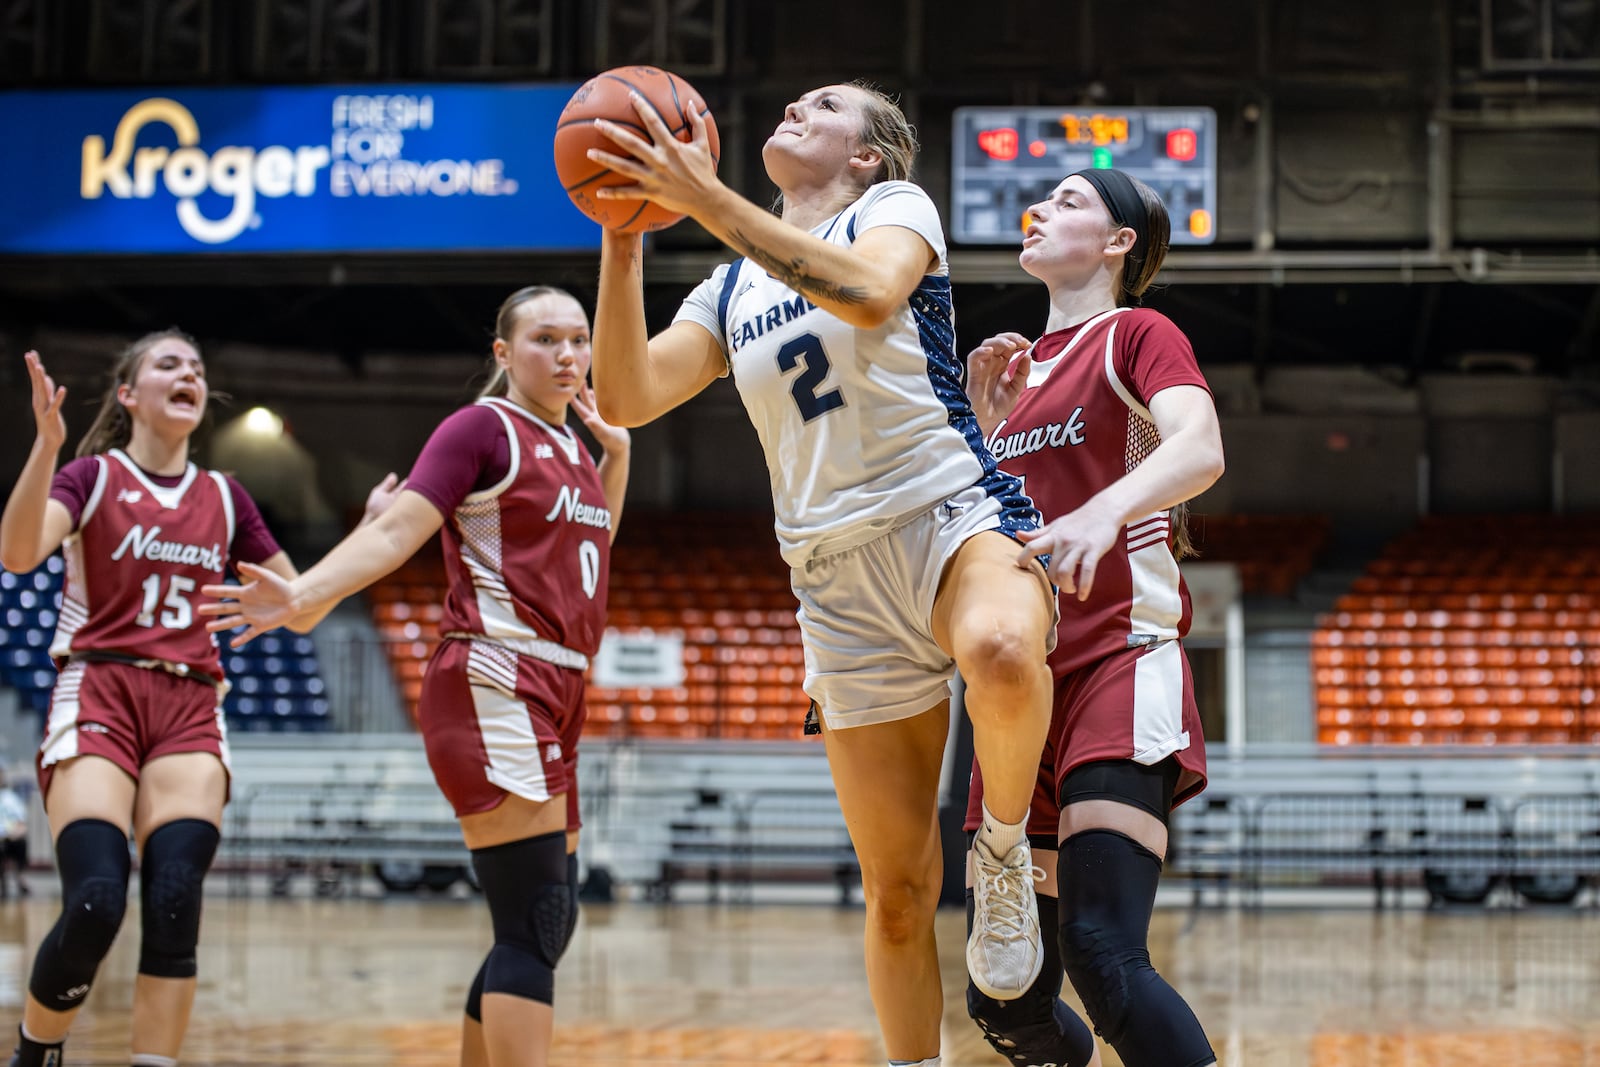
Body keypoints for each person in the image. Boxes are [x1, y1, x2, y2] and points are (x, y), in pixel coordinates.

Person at [585, 81, 1055, 1065]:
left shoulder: (893, 210)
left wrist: (704, 196)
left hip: (947, 513)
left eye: (826, 104)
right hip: (833, 578)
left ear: (867, 154)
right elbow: (624, 395)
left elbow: (869, 291)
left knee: (1003, 648)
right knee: (894, 896)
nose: (796, 104)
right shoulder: (726, 290)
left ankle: (1004, 849)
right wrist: (623, 230)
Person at [200, 286, 629, 1067]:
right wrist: (302, 593)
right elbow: (401, 526)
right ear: (503, 354)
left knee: (546, 918)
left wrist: (618, 460)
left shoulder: (574, 447)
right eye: (544, 339)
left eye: (578, 339)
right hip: (496, 673)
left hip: (561, 682)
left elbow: (588, 550)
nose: (567, 354)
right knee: (535, 918)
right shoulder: (481, 428)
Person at [0, 334, 387, 1067]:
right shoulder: (90, 476)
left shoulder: (225, 496)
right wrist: (45, 447)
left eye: (198, 369)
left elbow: (298, 606)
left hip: (189, 705)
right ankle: (33, 1052)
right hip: (101, 691)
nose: (190, 375)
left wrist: (366, 534)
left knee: (176, 896)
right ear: (129, 394)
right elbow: (18, 554)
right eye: (169, 364)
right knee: (96, 903)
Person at [960, 169, 1224, 1067]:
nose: (1040, 209)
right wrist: (982, 434)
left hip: (1119, 657)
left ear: (1119, 242)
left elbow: (1200, 444)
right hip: (1017, 688)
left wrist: (1108, 509)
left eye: (1070, 201)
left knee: (1103, 952)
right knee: (1005, 996)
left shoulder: (1137, 333)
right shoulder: (1010, 378)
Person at [0, 768, 30, 898]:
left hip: (10, 837)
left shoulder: (11, 798)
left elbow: (21, 824)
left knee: (20, 843)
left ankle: (20, 877)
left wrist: (13, 834)